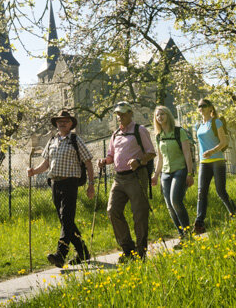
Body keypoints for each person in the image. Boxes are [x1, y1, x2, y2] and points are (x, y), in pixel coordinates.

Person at [27, 108, 96, 268]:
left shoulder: (75, 140)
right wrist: (33, 171)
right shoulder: (52, 141)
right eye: (59, 122)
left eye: (65, 121)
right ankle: (83, 251)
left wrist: (91, 185)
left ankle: (60, 254)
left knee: (66, 218)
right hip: (54, 184)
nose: (62, 124)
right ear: (56, 124)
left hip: (70, 183)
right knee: (66, 220)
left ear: (71, 124)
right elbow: (46, 164)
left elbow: (88, 162)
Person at [96, 101, 155, 262]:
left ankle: (140, 252)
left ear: (130, 113)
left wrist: (138, 160)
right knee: (112, 211)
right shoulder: (115, 134)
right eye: (118, 114)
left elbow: (151, 153)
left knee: (139, 215)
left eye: (123, 113)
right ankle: (128, 249)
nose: (120, 116)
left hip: (136, 176)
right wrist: (103, 161)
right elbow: (111, 156)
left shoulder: (139, 130)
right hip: (119, 178)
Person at [150, 105, 195, 242]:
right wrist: (156, 175)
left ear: (168, 115)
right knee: (169, 205)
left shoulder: (179, 132)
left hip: (180, 170)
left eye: (162, 114)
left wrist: (190, 173)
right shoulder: (159, 136)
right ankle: (182, 236)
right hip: (165, 173)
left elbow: (187, 154)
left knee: (176, 201)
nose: (160, 117)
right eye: (157, 115)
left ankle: (188, 235)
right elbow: (160, 158)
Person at [192, 98, 236, 234]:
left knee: (220, 191)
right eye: (199, 106)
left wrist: (212, 151)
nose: (201, 108)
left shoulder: (216, 122)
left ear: (210, 108)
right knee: (201, 193)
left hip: (217, 161)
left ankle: (234, 213)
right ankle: (199, 223)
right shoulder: (198, 126)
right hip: (204, 163)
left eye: (204, 106)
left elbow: (224, 142)